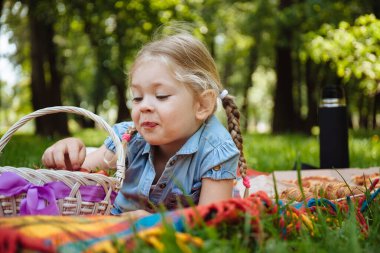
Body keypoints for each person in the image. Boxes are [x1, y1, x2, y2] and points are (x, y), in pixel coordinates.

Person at [42, 30, 249, 216]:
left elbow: (210, 220)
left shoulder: (216, 151)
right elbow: (76, 174)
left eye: (161, 95)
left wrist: (154, 222)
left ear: (202, 104)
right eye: (138, 97)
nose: (144, 107)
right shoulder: (128, 138)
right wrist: (66, 153)